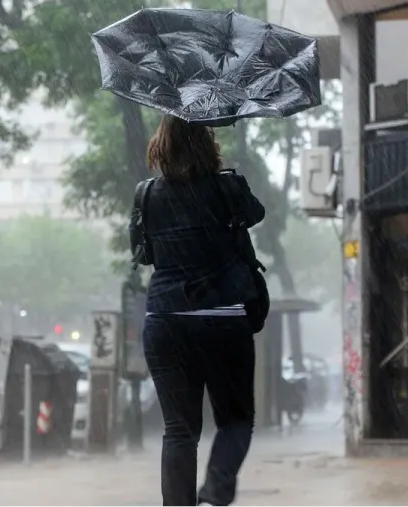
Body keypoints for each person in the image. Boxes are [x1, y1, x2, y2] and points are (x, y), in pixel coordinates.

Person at [129, 115, 266, 506]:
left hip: (166, 320)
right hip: (222, 318)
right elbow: (256, 214)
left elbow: (142, 253)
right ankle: (217, 489)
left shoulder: (147, 195)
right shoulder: (228, 187)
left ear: (161, 146)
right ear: (207, 145)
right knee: (237, 420)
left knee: (179, 430)